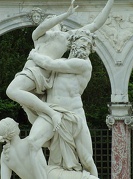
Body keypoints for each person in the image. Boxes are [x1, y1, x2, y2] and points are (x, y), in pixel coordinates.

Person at [6, 0, 114, 130]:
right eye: (49, 20)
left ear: (61, 26)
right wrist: (65, 14)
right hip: (28, 71)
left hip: (39, 73)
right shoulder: (38, 36)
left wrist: (110, 2)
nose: (51, 21)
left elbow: (96, 24)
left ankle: (52, 113)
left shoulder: (66, 38)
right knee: (33, 117)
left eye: (54, 20)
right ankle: (48, 127)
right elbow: (42, 27)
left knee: (12, 90)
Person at [27, 29, 98, 177]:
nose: (85, 46)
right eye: (83, 41)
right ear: (73, 43)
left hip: (74, 116)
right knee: (33, 142)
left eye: (89, 45)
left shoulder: (83, 65)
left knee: (87, 159)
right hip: (51, 112)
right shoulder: (63, 62)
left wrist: (34, 54)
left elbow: (49, 63)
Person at [0, 117, 99, 179]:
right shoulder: (30, 142)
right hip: (50, 175)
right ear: (15, 129)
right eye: (16, 124)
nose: (18, 124)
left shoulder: (5, 156)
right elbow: (53, 142)